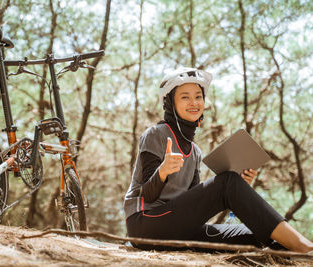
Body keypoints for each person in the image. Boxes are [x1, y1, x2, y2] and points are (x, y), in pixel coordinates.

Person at [123, 67, 313, 253]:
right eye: (185, 97)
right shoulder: (156, 134)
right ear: (169, 103)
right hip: (145, 224)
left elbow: (191, 205)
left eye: (198, 96)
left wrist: (240, 187)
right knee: (227, 182)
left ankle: (294, 249)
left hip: (176, 229)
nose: (194, 102)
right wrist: (163, 171)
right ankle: (305, 247)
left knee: (258, 234)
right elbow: (146, 195)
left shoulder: (195, 152)